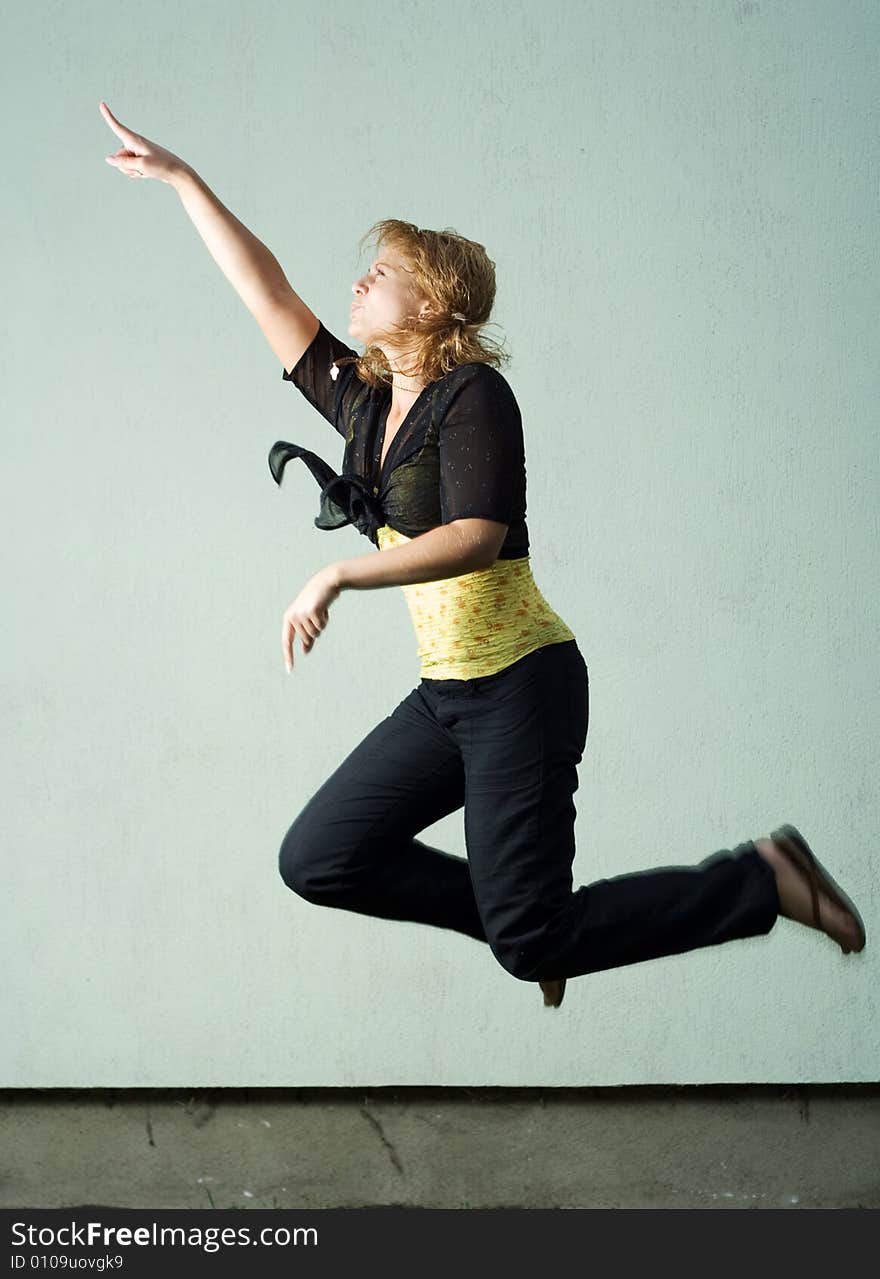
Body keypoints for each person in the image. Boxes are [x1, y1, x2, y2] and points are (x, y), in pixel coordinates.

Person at [100, 102, 867, 1010]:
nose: (357, 283)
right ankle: (523, 920)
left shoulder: (475, 395)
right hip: (448, 696)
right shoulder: (360, 404)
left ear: (430, 303)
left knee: (530, 933)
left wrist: (338, 571)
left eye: (380, 273)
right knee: (320, 857)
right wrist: (184, 180)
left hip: (522, 685)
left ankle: (760, 877)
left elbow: (475, 540)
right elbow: (267, 291)